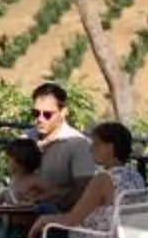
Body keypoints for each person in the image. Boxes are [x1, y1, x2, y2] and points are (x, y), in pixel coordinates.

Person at [23, 82, 97, 214]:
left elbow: (84, 189)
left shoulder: (78, 144)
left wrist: (57, 206)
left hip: (60, 216)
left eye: (47, 114)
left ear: (63, 112)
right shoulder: (26, 138)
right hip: (23, 209)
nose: (40, 119)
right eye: (35, 113)